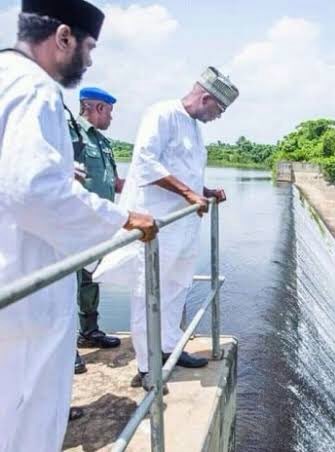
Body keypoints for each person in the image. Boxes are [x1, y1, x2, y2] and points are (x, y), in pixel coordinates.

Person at [0, 1, 157, 451]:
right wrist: (121, 217)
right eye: (88, 47)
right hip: (24, 290)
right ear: (63, 36)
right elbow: (33, 189)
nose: (88, 59)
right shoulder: (36, 89)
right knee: (27, 419)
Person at [95, 67, 238, 390]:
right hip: (157, 225)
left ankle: (170, 347)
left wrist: (204, 190)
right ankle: (147, 366)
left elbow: (184, 171)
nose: (218, 117)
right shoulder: (161, 114)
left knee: (177, 287)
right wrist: (189, 193)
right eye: (219, 110)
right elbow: (146, 162)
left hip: (185, 225)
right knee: (149, 294)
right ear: (206, 98)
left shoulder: (194, 127)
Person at [67, 87, 124, 377]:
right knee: (65, 285)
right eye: (110, 111)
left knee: (90, 280)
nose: (112, 117)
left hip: (97, 227)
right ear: (97, 108)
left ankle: (89, 332)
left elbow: (111, 181)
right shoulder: (70, 133)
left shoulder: (102, 142)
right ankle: (67, 350)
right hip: (71, 224)